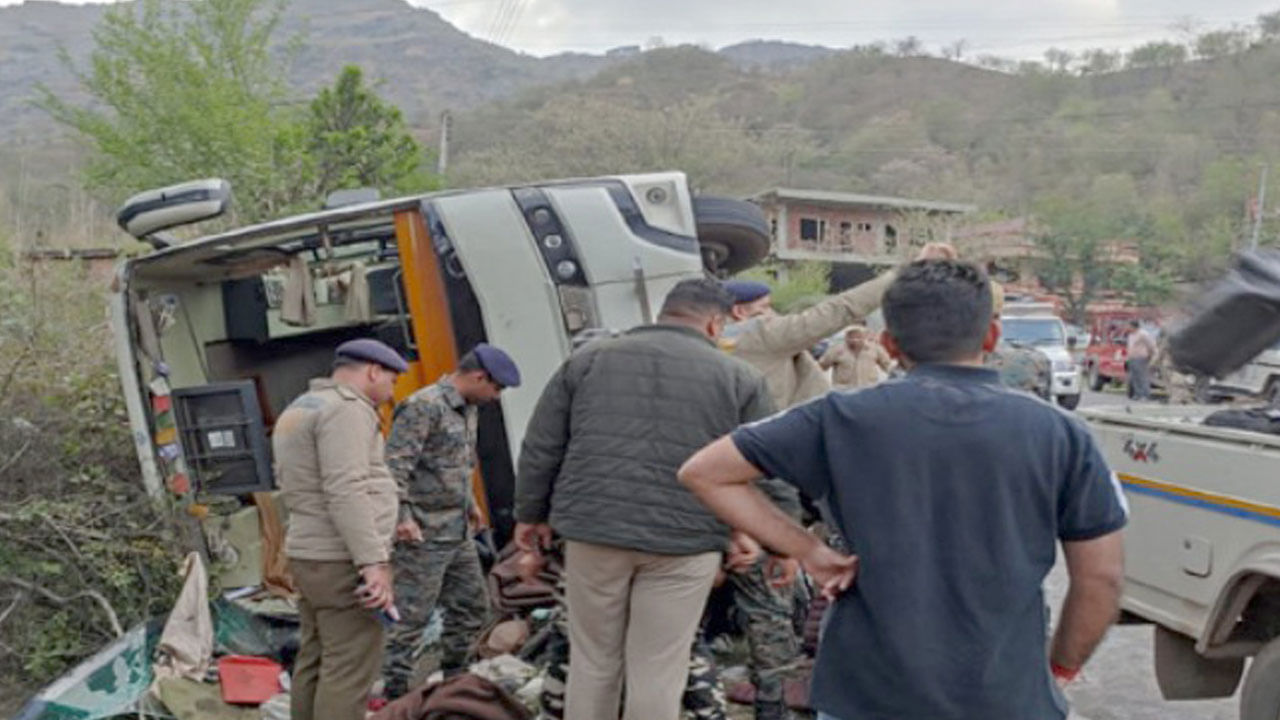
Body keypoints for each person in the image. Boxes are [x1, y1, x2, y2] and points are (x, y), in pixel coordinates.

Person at [680, 259, 1128, 720]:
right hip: (1005, 697)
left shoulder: (837, 418)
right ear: (991, 336)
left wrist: (806, 550)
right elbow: (1100, 578)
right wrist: (1059, 668)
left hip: (865, 693)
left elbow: (705, 472)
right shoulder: (1060, 433)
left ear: (889, 344)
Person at [513, 278, 799, 720]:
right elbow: (765, 463)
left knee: (593, 663)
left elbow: (542, 446)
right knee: (658, 669)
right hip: (685, 543)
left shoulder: (588, 361)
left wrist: (530, 516)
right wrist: (783, 543)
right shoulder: (738, 376)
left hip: (594, 533)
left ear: (666, 313)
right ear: (714, 323)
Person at [719, 243, 954, 720]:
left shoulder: (733, 346)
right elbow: (838, 310)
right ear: (740, 312)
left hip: (764, 474)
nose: (774, 316)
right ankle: (776, 699)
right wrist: (905, 273)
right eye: (765, 310)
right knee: (773, 593)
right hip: (768, 480)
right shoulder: (758, 339)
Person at [275, 338, 408, 720]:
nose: (391, 390)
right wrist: (372, 563)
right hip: (341, 558)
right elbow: (346, 489)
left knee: (315, 659)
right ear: (373, 371)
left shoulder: (301, 407)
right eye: (392, 380)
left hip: (308, 553)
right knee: (349, 666)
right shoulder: (346, 410)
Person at [383, 344, 522, 698]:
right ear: (478, 377)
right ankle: (395, 695)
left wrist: (470, 503)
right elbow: (393, 470)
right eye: (496, 388)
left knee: (472, 606)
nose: (497, 396)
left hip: (455, 530)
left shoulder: (468, 409)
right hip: (421, 535)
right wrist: (402, 519)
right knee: (410, 620)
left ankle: (454, 682)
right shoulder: (423, 407)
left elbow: (454, 465)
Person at [817, 325, 894, 390]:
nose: (854, 339)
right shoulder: (835, 350)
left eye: (858, 336)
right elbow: (819, 368)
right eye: (851, 336)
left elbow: (888, 366)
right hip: (844, 393)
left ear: (864, 337)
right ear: (846, 337)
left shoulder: (875, 349)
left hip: (868, 391)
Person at [1126, 319, 1158, 400]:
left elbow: (1151, 344)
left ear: (1134, 326)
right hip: (1132, 358)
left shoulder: (1143, 334)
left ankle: (1145, 395)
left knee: (1142, 376)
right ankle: (1138, 394)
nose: (1127, 327)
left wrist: (1153, 354)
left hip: (1141, 358)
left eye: (1129, 326)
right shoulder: (1131, 335)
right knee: (1134, 377)